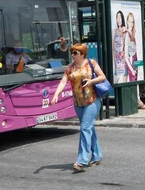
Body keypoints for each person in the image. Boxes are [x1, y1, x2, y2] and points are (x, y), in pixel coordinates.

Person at [51, 43, 107, 172]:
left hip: (91, 101)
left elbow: (102, 77)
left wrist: (91, 81)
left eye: (75, 53)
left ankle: (82, 160)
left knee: (85, 128)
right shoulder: (70, 68)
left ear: (82, 54)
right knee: (89, 128)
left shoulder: (91, 63)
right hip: (78, 103)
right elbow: (63, 81)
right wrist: (55, 95)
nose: (73, 55)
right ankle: (97, 156)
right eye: (72, 52)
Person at [125, 12, 145, 110]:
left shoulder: (132, 34)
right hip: (130, 63)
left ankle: (137, 101)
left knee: (135, 82)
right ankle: (136, 102)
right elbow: (126, 55)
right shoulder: (127, 35)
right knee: (132, 82)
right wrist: (131, 68)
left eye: (132, 22)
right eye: (129, 22)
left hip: (134, 61)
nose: (131, 24)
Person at [113, 11, 127, 84]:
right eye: (117, 17)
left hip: (125, 59)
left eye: (120, 17)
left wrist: (125, 32)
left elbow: (127, 44)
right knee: (117, 78)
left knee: (125, 76)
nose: (119, 19)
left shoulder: (125, 31)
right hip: (117, 59)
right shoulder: (114, 31)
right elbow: (113, 46)